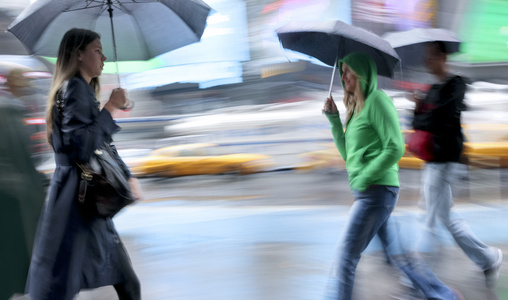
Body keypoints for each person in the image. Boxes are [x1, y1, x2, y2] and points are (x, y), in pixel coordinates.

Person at [322, 52, 463, 300]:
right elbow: (349, 155)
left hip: (376, 192)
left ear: (362, 73)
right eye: (342, 72)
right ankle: (445, 296)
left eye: (348, 71)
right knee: (398, 256)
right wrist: (335, 120)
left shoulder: (378, 101)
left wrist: (366, 176)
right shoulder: (355, 108)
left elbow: (395, 146)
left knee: (344, 258)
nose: (343, 77)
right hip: (369, 191)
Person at [25, 28, 143, 300]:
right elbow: (81, 146)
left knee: (71, 283)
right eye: (97, 50)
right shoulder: (75, 88)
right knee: (121, 284)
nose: (104, 57)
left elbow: (100, 144)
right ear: (79, 54)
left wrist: (127, 173)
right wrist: (110, 108)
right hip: (80, 200)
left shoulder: (81, 89)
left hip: (81, 199)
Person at [411, 41, 502, 288]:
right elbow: (419, 123)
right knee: (445, 217)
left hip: (446, 159)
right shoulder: (431, 89)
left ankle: (420, 277)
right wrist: (418, 110)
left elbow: (442, 118)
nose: (427, 61)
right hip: (432, 158)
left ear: (442, 57)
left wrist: (424, 114)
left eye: (431, 56)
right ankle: (488, 258)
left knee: (428, 218)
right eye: (426, 57)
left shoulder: (457, 84)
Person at [0, 68, 45, 300]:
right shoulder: (6, 112)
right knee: (10, 254)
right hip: (12, 199)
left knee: (14, 256)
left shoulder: (17, 112)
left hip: (19, 195)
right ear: (12, 87)